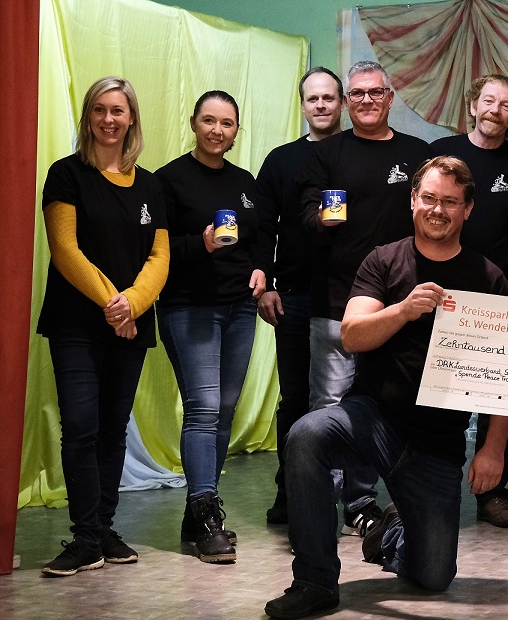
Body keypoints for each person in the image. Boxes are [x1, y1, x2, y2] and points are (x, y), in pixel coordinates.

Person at [264, 156, 508, 620]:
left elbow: (505, 376)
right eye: (430, 198)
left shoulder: (490, 278)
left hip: (437, 441)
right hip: (372, 417)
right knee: (306, 434)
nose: (437, 210)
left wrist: (493, 448)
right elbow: (351, 335)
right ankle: (314, 580)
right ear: (413, 200)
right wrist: (402, 309)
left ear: (467, 209)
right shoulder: (384, 260)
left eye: (450, 202)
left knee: (433, 575)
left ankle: (391, 533)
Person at [37, 76, 169, 576]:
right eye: (99, 109)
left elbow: (159, 257)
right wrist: (116, 306)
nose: (108, 119)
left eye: (118, 110)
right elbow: (65, 250)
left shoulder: (150, 185)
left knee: (114, 431)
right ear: (88, 116)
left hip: (129, 325)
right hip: (76, 325)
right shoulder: (66, 174)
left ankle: (103, 530)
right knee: (81, 429)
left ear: (131, 118)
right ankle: (85, 538)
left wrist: (131, 305)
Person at [297, 60, 434, 537]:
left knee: (383, 406)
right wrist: (323, 218)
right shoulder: (326, 153)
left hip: (397, 308)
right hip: (336, 302)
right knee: (328, 408)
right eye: (357, 94)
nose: (367, 100)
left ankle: (362, 503)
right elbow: (306, 217)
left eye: (376, 92)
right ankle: (320, 508)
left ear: (390, 97)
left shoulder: (417, 153)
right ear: (346, 102)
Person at [156, 90, 275, 563]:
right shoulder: (168, 180)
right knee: (204, 407)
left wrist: (262, 269)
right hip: (189, 307)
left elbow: (261, 236)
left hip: (239, 308)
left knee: (224, 410)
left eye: (227, 123)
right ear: (193, 123)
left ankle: (196, 511)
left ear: (236, 130)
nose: (217, 130)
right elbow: (156, 249)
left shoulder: (244, 182)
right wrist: (199, 246)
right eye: (209, 120)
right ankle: (208, 517)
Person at [430, 73, 508, 528]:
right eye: (488, 101)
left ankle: (493, 494)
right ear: (474, 105)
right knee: (439, 396)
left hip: (498, 293)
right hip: (441, 290)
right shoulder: (442, 153)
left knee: (498, 392)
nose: (495, 110)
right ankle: (432, 486)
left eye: (506, 105)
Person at [256, 67, 344, 525]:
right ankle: (290, 490)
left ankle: (353, 497)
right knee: (294, 399)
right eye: (313, 98)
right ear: (303, 104)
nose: (321, 105)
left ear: (341, 102)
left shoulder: (356, 153)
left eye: (329, 97)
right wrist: (267, 284)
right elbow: (261, 226)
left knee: (350, 398)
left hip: (352, 298)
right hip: (292, 296)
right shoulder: (280, 160)